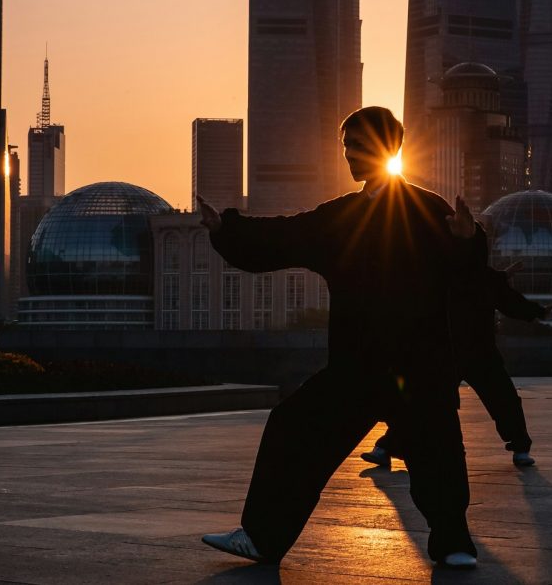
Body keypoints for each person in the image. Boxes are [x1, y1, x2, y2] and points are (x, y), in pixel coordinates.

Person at [198, 107, 486, 569]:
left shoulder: (433, 211)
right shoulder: (342, 216)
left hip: (419, 364)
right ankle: (261, 537)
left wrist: (469, 241)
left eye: (357, 145)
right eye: (346, 146)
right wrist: (226, 229)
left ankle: (454, 543)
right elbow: (284, 236)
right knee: (292, 428)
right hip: (358, 366)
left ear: (386, 148)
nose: (349, 154)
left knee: (439, 452)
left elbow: (469, 273)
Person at [360, 265, 552, 469]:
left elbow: (507, 299)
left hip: (476, 352)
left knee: (502, 399)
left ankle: (521, 447)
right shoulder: (453, 271)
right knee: (428, 401)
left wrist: (536, 310)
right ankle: (386, 447)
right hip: (451, 351)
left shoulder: (474, 275)